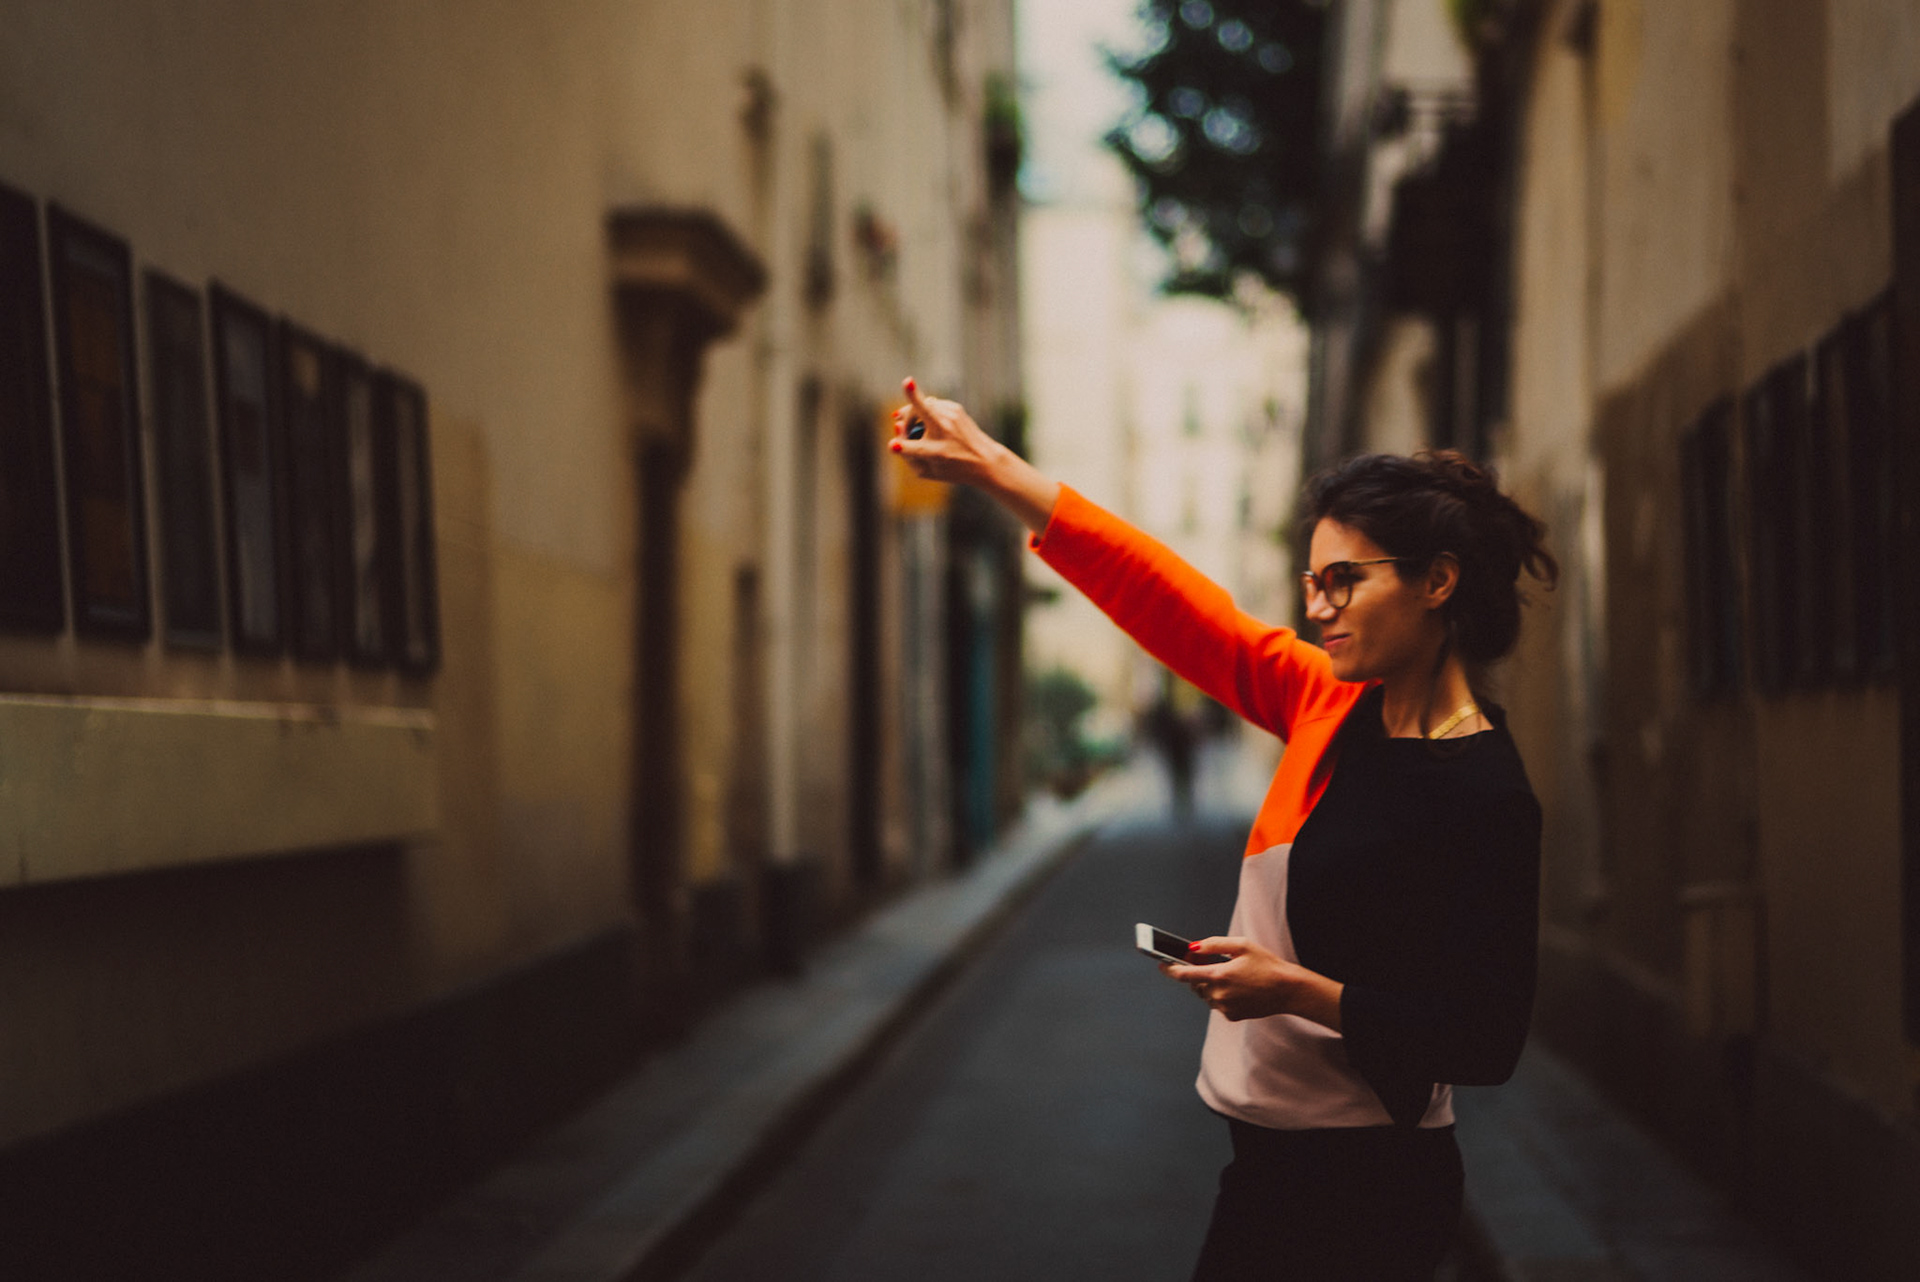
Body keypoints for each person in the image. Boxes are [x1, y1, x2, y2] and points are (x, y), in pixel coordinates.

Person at [890, 377, 1555, 1281]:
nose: (1317, 607)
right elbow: (1170, 600)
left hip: (1366, 1185)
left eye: (1344, 582)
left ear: (1438, 580)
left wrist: (1294, 990)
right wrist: (996, 470)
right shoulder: (1328, 702)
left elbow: (1486, 1039)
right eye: (1312, 582)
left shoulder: (1484, 793)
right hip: (1269, 1164)